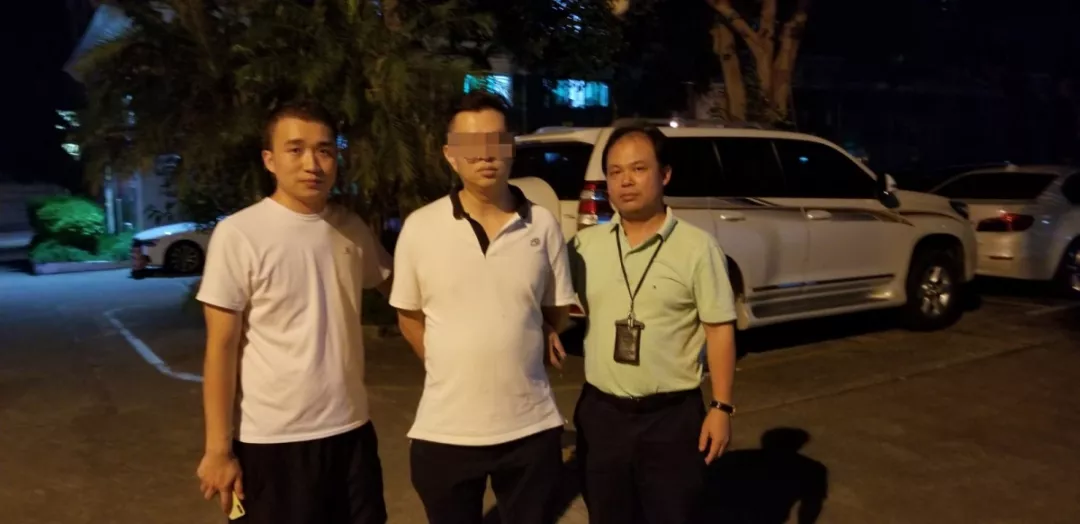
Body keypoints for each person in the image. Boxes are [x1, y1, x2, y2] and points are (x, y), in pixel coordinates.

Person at [195, 101, 393, 524]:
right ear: (270, 160)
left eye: (324, 150)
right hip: (273, 440)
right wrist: (218, 450)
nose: (312, 164)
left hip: (351, 431)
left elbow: (401, 289)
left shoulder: (350, 227)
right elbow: (221, 347)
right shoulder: (239, 234)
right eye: (295, 149)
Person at [389, 91, 576, 524]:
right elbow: (408, 317)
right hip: (444, 432)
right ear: (450, 155)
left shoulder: (542, 224)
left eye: (496, 141)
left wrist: (528, 340)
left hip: (530, 429)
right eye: (472, 144)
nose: (486, 155)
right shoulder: (421, 227)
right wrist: (450, 365)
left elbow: (555, 310)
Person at [562, 124, 738, 524]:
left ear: (665, 174)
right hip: (602, 416)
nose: (625, 181)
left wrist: (721, 406)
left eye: (638, 169)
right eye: (615, 171)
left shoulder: (698, 248)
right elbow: (550, 302)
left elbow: (719, 329)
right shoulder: (584, 247)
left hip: (671, 419)